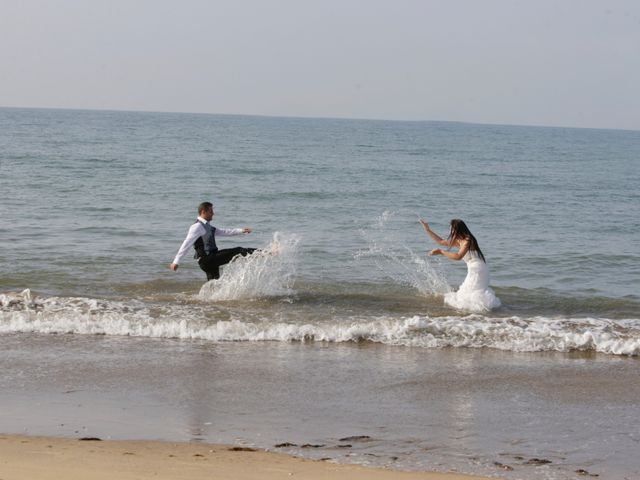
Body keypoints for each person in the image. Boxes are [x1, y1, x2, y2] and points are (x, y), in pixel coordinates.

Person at [419, 218, 501, 312]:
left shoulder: (468, 240)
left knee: (470, 293)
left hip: (478, 270)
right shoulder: (460, 240)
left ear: (457, 229)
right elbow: (441, 241)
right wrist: (427, 229)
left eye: (452, 228)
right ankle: (475, 316)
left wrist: (441, 252)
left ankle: (476, 315)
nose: (451, 231)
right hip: (474, 268)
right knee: (468, 293)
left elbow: (458, 256)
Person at [170, 202, 256, 281]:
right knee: (238, 250)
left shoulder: (207, 226)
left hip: (209, 260)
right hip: (207, 259)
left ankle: (205, 297)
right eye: (211, 211)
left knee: (214, 283)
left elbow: (223, 232)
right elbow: (186, 243)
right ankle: (261, 253)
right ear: (203, 212)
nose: (213, 214)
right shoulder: (197, 226)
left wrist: (241, 230)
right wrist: (176, 261)